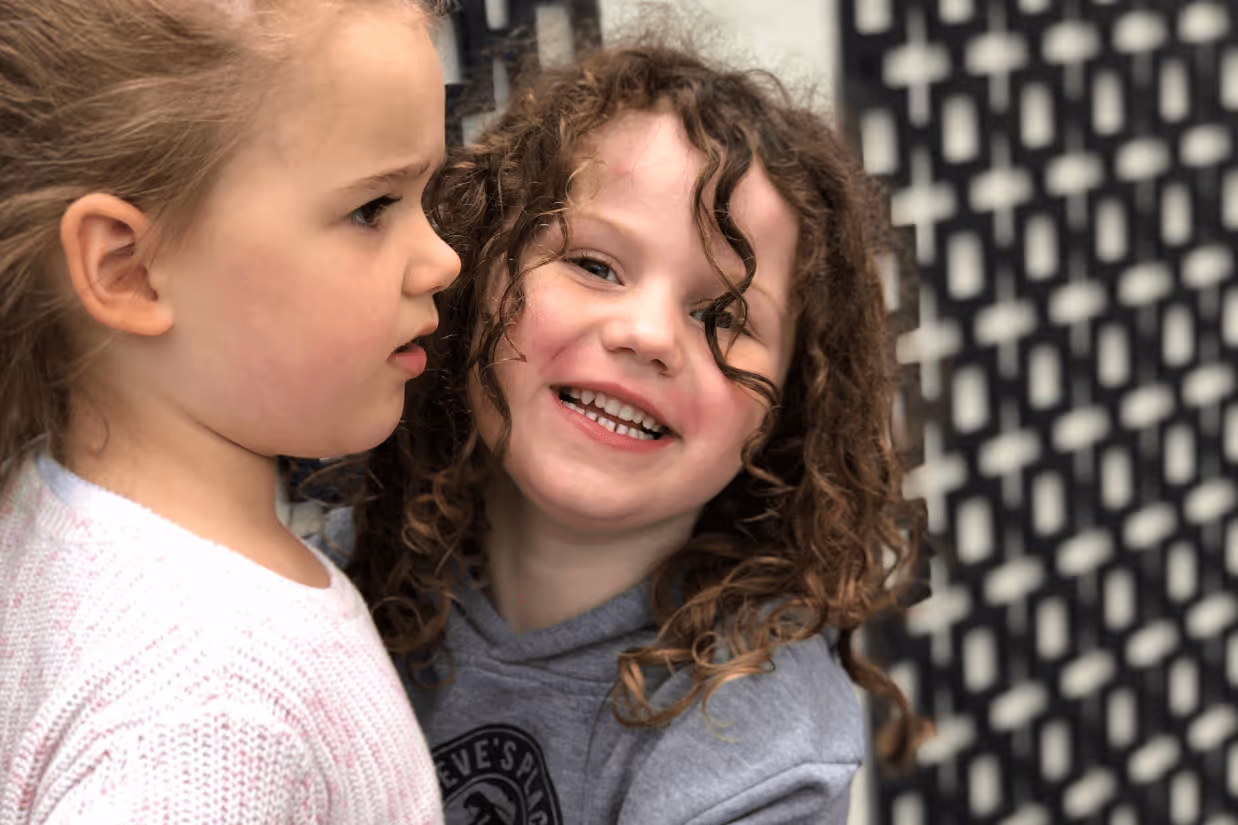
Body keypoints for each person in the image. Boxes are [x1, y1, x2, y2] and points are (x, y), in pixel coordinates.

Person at [337, 42, 930, 824]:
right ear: (480, 273)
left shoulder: (757, 745)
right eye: (595, 265)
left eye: (722, 316)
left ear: (787, 408)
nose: (648, 333)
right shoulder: (351, 565)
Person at [0, 0, 459, 822]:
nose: (441, 258)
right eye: (372, 208)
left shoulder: (46, 512)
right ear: (129, 269)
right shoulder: (201, 712)